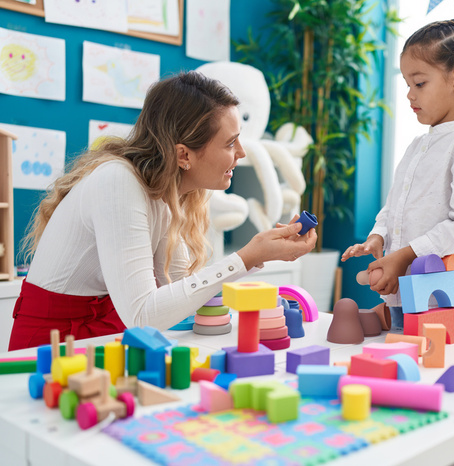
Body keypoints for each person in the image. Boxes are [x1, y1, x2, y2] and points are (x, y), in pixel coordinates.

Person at [9, 71, 317, 350]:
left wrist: (258, 255)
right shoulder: (118, 182)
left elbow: (180, 291)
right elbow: (144, 313)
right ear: (184, 154)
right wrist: (248, 256)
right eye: (230, 143)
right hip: (50, 345)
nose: (242, 152)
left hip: (106, 336)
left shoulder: (165, 193)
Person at [341, 19, 454, 338]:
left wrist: (404, 256)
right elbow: (394, 206)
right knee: (408, 374)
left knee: (435, 374)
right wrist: (379, 237)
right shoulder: (417, 146)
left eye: (419, 83)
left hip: (443, 295)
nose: (409, 95)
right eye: (407, 84)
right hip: (407, 292)